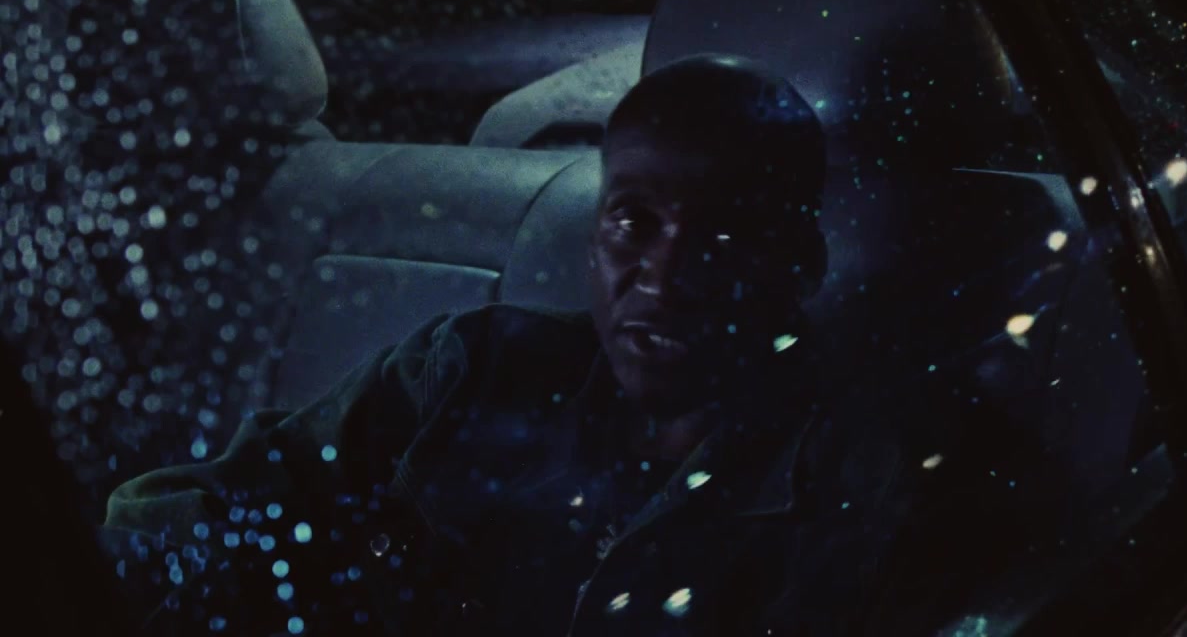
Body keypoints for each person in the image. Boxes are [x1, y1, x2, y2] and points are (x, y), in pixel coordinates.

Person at [100, 54, 1014, 636]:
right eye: (634, 222)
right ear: (593, 239)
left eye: (727, 234)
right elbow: (225, 507)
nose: (664, 275)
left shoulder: (869, 482)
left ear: (800, 264)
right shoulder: (469, 368)